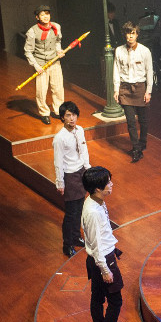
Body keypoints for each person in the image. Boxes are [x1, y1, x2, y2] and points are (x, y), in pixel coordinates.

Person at [81, 166, 130, 322]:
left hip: (99, 259)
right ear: (97, 189)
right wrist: (104, 269)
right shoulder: (93, 211)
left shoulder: (95, 201)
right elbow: (96, 244)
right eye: (108, 182)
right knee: (115, 301)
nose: (112, 184)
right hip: (102, 261)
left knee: (98, 299)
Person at [53, 101, 90, 258]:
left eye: (74, 115)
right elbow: (58, 162)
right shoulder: (59, 138)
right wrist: (60, 182)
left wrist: (88, 169)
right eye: (68, 115)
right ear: (62, 117)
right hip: (69, 175)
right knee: (71, 213)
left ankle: (76, 237)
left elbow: (84, 150)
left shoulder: (80, 130)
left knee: (79, 209)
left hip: (81, 172)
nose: (72, 118)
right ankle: (67, 245)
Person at [113, 21, 153, 163]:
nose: (130, 36)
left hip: (140, 87)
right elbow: (116, 70)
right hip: (125, 88)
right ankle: (136, 149)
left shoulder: (145, 51)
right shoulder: (119, 50)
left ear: (137, 34)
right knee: (130, 121)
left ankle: (142, 142)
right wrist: (116, 89)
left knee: (143, 120)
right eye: (128, 33)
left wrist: (148, 91)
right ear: (124, 35)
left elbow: (149, 72)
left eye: (133, 33)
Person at [24, 5, 65, 125]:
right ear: (37, 17)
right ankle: (44, 113)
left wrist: (59, 51)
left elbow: (57, 41)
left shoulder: (56, 27)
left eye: (47, 14)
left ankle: (58, 110)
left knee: (58, 88)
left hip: (54, 61)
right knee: (41, 91)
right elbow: (28, 51)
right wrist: (36, 65)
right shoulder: (32, 32)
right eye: (42, 15)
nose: (46, 16)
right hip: (41, 64)